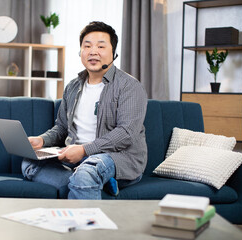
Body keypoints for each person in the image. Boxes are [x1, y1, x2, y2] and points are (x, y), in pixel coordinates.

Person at [21, 21, 148, 199]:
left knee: (87, 172)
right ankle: (94, 183)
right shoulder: (73, 87)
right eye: (87, 46)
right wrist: (41, 141)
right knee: (29, 162)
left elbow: (126, 133)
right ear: (81, 51)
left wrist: (84, 150)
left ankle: (87, 187)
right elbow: (61, 128)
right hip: (75, 158)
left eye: (101, 46)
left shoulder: (129, 86)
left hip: (115, 158)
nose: (93, 52)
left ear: (114, 53)